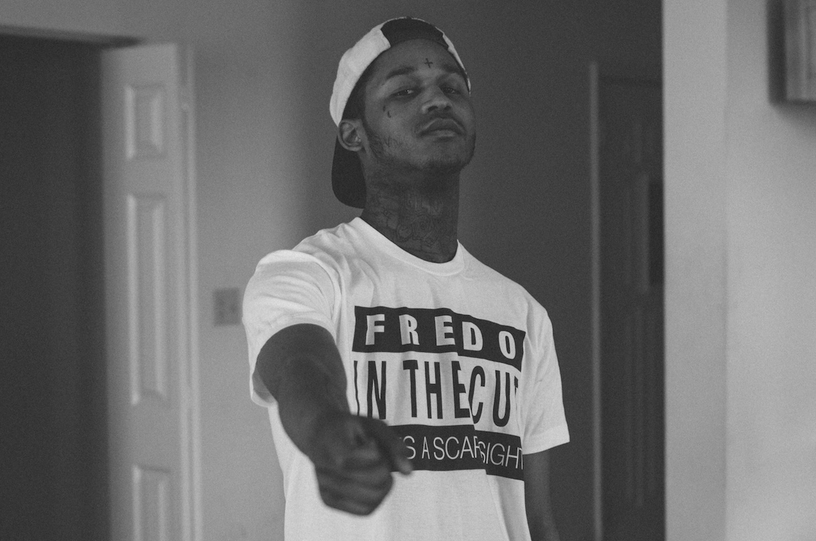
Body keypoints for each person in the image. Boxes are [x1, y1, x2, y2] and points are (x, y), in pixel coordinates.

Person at [242, 17, 569, 541]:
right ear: (354, 133)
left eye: (452, 88)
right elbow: (300, 365)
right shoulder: (307, 273)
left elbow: (537, 516)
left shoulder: (522, 312)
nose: (437, 100)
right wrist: (325, 429)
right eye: (405, 91)